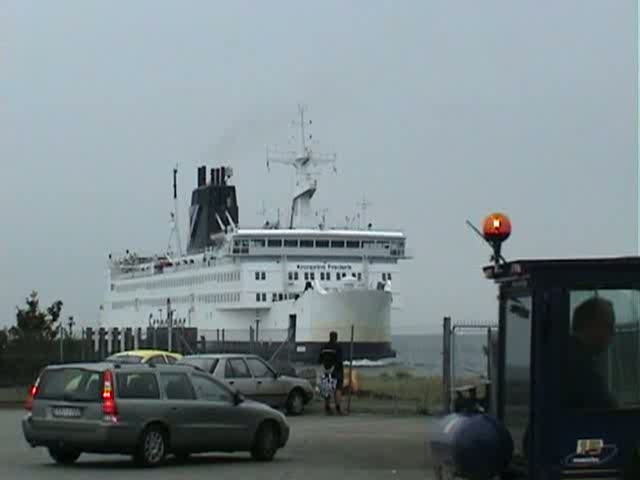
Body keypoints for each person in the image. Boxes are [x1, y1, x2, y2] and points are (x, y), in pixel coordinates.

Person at [566, 295, 617, 409]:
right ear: (590, 325)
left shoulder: (569, 353)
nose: (613, 332)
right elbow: (607, 408)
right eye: (609, 325)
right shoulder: (579, 365)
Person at [318, 331, 344, 415]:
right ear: (336, 337)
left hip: (326, 370)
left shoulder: (324, 347)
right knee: (338, 388)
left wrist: (325, 368)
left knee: (327, 388)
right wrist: (333, 368)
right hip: (337, 371)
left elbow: (319, 360)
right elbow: (339, 360)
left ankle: (327, 407)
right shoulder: (338, 347)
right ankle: (338, 408)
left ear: (329, 337)